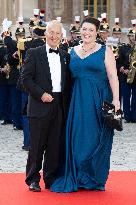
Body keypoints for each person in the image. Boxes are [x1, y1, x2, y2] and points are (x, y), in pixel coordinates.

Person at [51, 17, 120, 193]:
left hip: (99, 101)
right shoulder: (71, 51)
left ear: (97, 32)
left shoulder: (106, 51)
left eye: (91, 30)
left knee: (95, 139)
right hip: (77, 102)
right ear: (79, 31)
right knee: (77, 138)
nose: (87, 33)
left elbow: (113, 77)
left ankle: (92, 177)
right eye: (84, 29)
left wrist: (117, 101)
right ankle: (78, 175)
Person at [22, 20, 71, 192]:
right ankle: (33, 179)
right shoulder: (34, 53)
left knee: (55, 144)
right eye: (51, 32)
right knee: (37, 145)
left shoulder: (65, 55)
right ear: (45, 33)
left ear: (61, 36)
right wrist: (41, 94)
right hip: (39, 103)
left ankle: (50, 178)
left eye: (58, 33)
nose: (54, 36)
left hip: (59, 104)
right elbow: (25, 79)